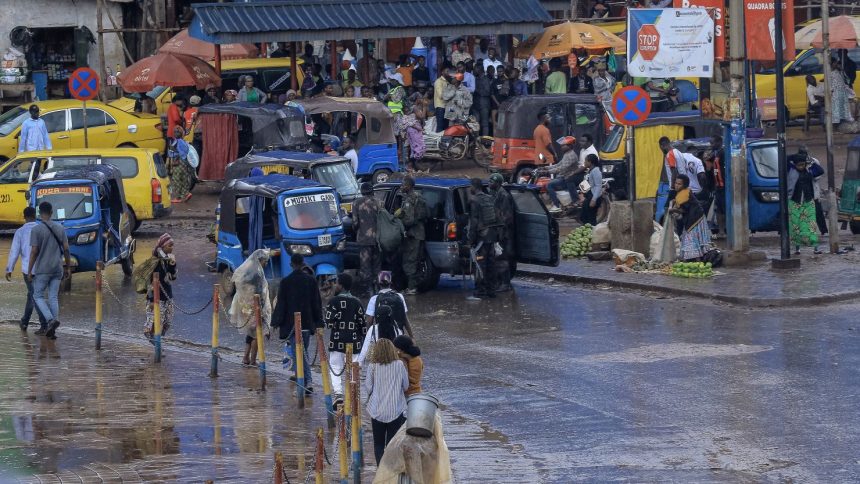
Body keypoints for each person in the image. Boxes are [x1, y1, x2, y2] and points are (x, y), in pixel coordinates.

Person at [272, 254, 323, 393]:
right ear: (303, 263)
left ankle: (306, 383)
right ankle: (306, 382)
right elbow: (316, 304)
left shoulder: (286, 282)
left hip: (291, 326)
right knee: (303, 352)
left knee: (299, 354)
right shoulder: (311, 281)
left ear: (291, 264)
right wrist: (319, 323)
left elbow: (281, 304)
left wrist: (275, 323)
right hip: (307, 325)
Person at [363, 338, 409, 466]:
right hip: (395, 410)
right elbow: (406, 386)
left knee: (378, 444)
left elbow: (368, 387)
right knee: (392, 444)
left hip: (377, 410)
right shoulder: (399, 365)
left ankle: (380, 471)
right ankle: (390, 472)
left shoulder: (372, 366)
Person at [27, 202, 69, 341]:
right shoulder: (60, 228)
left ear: (39, 213)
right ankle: (53, 327)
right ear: (51, 212)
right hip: (57, 268)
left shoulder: (36, 230)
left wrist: (29, 271)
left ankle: (50, 320)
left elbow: (34, 252)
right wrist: (68, 266)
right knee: (53, 297)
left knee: (37, 296)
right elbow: (66, 249)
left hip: (43, 269)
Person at [324, 273, 367, 403]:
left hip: (337, 341)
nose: (335, 285)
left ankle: (338, 395)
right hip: (354, 343)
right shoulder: (357, 302)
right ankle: (353, 395)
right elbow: (363, 325)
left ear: (341, 286)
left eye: (336, 283)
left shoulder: (333, 302)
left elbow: (328, 323)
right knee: (353, 368)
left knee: (335, 367)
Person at [229, 249, 273, 367]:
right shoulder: (258, 274)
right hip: (255, 308)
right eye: (265, 261)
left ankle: (245, 357)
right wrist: (263, 311)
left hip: (245, 307)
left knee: (250, 333)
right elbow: (260, 294)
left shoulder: (248, 269)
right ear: (260, 260)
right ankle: (253, 360)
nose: (266, 264)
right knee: (256, 335)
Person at [6, 207, 47, 333]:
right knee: (32, 295)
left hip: (27, 270)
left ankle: (45, 323)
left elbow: (14, 252)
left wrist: (9, 269)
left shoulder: (20, 232)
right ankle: (24, 322)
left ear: (24, 217)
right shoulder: (43, 229)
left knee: (35, 296)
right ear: (35, 215)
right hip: (42, 268)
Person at [468, 178, 501, 299]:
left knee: (479, 265)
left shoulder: (475, 201)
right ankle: (491, 291)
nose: (469, 189)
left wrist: (471, 240)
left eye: (470, 186)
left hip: (480, 239)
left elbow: (474, 222)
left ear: (474, 187)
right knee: (491, 264)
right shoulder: (489, 198)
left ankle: (480, 292)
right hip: (491, 237)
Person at [395, 176, 428, 295]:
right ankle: (417, 286)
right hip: (420, 233)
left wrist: (398, 219)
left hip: (412, 235)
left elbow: (409, 220)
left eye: (403, 184)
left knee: (409, 261)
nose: (401, 186)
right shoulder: (419, 196)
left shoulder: (409, 200)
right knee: (417, 260)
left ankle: (412, 287)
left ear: (408, 186)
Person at [667, 174, 712, 261]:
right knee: (693, 239)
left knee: (692, 238)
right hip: (697, 216)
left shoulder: (684, 194)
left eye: (679, 184)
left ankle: (696, 260)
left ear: (685, 185)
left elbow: (684, 210)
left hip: (695, 219)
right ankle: (695, 259)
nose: (676, 185)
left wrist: (673, 210)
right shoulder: (683, 192)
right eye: (676, 183)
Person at [142, 233, 176, 343]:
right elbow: (149, 280)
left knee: (167, 322)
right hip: (156, 297)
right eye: (169, 246)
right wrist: (151, 300)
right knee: (154, 322)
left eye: (172, 245)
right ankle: (156, 344)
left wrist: (172, 265)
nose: (172, 248)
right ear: (163, 247)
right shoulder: (154, 261)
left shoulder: (168, 259)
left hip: (167, 296)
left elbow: (173, 277)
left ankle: (158, 341)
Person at [787, 156, 822, 254]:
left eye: (803, 164)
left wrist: (811, 160)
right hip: (794, 202)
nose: (801, 167)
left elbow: (820, 171)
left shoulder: (809, 170)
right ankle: (797, 248)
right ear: (795, 165)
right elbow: (785, 158)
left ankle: (815, 248)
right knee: (796, 226)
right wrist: (797, 154)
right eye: (799, 165)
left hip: (808, 201)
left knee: (811, 225)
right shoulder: (791, 170)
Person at [353, 182, 383, 297]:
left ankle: (369, 289)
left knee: (365, 266)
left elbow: (355, 223)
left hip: (364, 240)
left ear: (362, 191)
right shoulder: (379, 202)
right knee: (377, 265)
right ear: (372, 191)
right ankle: (378, 288)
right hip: (378, 240)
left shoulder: (356, 203)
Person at [541, 136, 584, 213]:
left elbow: (562, 168)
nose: (561, 146)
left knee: (549, 185)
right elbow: (559, 164)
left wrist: (548, 172)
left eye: (564, 145)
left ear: (570, 146)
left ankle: (556, 205)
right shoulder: (567, 154)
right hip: (563, 177)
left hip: (567, 177)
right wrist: (546, 168)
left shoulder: (571, 155)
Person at [488, 173, 515, 292]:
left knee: (503, 257)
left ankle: (505, 283)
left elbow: (507, 217)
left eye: (491, 182)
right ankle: (501, 281)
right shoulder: (496, 194)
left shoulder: (503, 195)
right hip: (500, 231)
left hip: (504, 233)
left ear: (497, 183)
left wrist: (499, 229)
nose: (489, 184)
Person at [704, 135, 727, 238]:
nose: (711, 145)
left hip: (724, 186)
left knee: (724, 209)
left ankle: (725, 231)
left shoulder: (723, 152)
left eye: (712, 143)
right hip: (718, 186)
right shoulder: (715, 154)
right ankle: (721, 231)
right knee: (719, 209)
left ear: (719, 142)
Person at [167, 127, 196, 203]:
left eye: (177, 132)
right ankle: (186, 194)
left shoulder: (178, 142)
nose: (176, 133)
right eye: (175, 131)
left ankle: (179, 197)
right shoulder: (183, 142)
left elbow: (178, 153)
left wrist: (176, 159)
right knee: (183, 178)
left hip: (178, 162)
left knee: (176, 179)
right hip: (184, 163)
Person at [579, 154, 604, 226]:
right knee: (584, 217)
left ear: (590, 162)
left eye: (586, 161)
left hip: (593, 197)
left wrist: (594, 200)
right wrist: (582, 196)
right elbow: (586, 184)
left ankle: (593, 234)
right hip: (588, 197)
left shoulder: (596, 171)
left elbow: (598, 186)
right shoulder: (590, 171)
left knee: (591, 219)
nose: (584, 163)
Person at [828, 58, 854, 125]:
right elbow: (829, 84)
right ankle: (836, 124)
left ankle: (842, 122)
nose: (836, 64)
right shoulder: (829, 73)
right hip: (835, 94)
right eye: (835, 63)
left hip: (842, 93)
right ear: (832, 64)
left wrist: (842, 70)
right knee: (836, 108)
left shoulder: (839, 72)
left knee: (843, 108)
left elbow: (847, 81)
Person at [474, 65, 493, 137]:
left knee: (485, 124)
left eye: (475, 69)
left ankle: (485, 141)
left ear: (480, 70)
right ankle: (477, 141)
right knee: (475, 124)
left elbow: (487, 92)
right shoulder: (476, 79)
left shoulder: (486, 79)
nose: (474, 71)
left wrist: (477, 90)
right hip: (476, 104)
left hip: (484, 104)